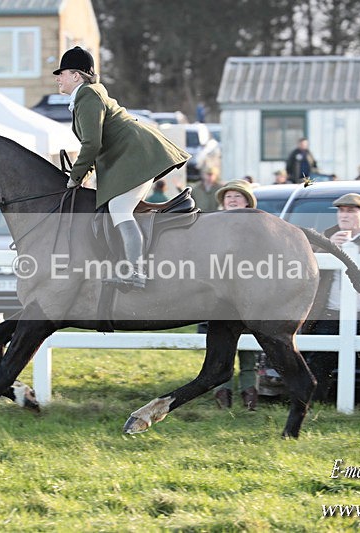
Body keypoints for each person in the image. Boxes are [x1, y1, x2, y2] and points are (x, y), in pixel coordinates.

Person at [55, 46, 189, 289]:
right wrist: (83, 174)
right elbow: (97, 145)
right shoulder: (86, 96)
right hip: (129, 157)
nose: (58, 78)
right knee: (115, 208)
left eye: (61, 73)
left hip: (137, 156)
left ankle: (136, 271)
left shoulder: (87, 95)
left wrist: (75, 177)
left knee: (120, 209)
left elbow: (92, 143)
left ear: (76, 75)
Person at [301, 193, 360, 413]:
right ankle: (312, 409)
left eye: (351, 211)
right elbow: (309, 257)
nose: (344, 215)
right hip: (331, 311)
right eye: (341, 210)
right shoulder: (327, 234)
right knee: (319, 362)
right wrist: (327, 247)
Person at [209, 180, 260, 410]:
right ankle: (223, 396)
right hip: (218, 297)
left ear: (247, 202)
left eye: (237, 196)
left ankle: (250, 398)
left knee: (248, 350)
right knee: (222, 349)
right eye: (228, 196)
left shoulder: (257, 227)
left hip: (248, 296)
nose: (231, 199)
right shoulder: (212, 225)